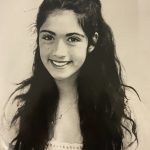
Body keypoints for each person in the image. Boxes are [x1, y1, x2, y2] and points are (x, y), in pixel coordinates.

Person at [0, 0, 150, 149]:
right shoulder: (20, 105)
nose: (58, 52)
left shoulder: (124, 110)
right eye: (48, 37)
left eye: (72, 39)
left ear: (92, 42)